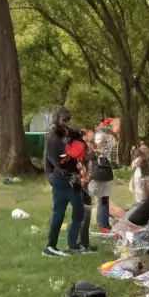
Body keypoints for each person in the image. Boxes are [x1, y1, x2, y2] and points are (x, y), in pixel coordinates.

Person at [43, 109, 89, 257]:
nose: (67, 122)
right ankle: (50, 247)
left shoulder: (67, 132)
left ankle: (73, 244)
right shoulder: (53, 135)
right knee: (58, 213)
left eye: (69, 119)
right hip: (61, 179)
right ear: (57, 119)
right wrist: (49, 175)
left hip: (72, 179)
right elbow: (49, 157)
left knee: (79, 212)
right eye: (64, 119)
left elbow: (80, 146)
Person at [89, 126, 116, 232]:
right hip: (101, 173)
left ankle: (103, 223)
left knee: (103, 199)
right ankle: (102, 223)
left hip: (102, 172)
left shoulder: (108, 140)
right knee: (102, 199)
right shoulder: (109, 141)